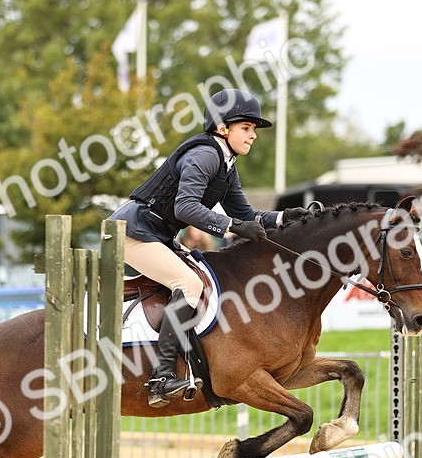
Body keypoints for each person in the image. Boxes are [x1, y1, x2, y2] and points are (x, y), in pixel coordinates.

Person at [109, 89, 310, 407]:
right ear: (222, 127)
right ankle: (161, 378)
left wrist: (285, 217)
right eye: (246, 128)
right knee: (188, 284)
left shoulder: (226, 164)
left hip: (156, 234)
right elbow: (186, 208)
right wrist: (231, 227)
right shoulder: (205, 155)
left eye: (254, 130)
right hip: (134, 231)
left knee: (199, 277)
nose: (252, 136)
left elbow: (245, 215)